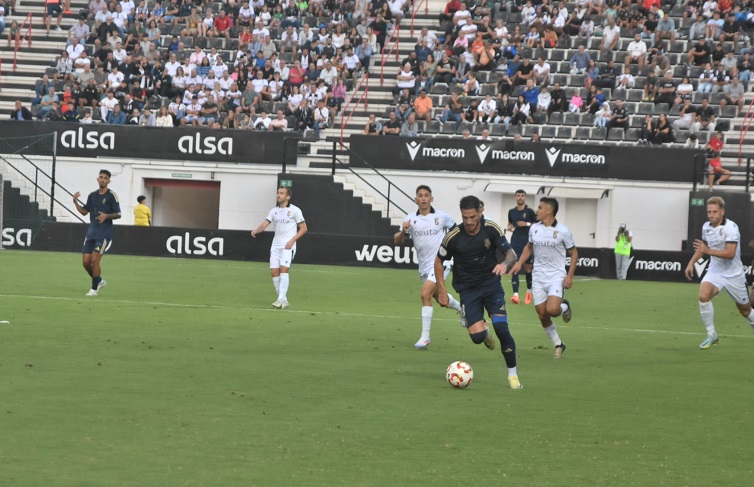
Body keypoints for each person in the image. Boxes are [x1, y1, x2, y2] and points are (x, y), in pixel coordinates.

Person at [435, 195, 523, 390]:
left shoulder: (491, 228)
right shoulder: (454, 236)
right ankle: (483, 331)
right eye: (465, 217)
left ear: (480, 212)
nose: (469, 222)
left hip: (491, 286)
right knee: (477, 337)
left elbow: (512, 255)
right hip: (467, 289)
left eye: (473, 217)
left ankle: (513, 375)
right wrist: (441, 290)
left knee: (502, 328)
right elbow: (438, 261)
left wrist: (504, 264)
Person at [394, 185, 465, 349]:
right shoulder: (410, 219)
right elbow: (397, 241)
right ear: (416, 199)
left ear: (431, 199)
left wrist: (455, 251)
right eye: (420, 195)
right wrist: (403, 231)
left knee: (424, 293)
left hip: (441, 263)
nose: (424, 198)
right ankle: (462, 309)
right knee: (441, 299)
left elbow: (457, 232)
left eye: (427, 195)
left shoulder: (442, 216)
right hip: (424, 267)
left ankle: (425, 338)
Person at [510, 197, 577, 359]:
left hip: (556, 276)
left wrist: (569, 276)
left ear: (549, 211)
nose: (536, 211)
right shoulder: (534, 229)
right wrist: (519, 262)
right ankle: (558, 344)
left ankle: (565, 306)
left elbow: (574, 253)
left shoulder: (563, 230)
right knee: (542, 314)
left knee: (553, 310)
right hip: (538, 276)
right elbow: (529, 247)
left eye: (540, 208)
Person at [684, 196, 754, 349]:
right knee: (703, 295)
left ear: (722, 212)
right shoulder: (706, 227)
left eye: (714, 211)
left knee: (745, 310)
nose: (711, 215)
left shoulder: (731, 228)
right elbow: (704, 248)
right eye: (709, 211)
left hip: (734, 274)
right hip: (715, 271)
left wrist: (707, 250)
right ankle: (711, 335)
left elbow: (730, 253)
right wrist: (691, 262)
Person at [250, 186, 308, 309]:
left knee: (284, 270)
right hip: (275, 246)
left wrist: (292, 241)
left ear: (288, 197)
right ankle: (283, 300)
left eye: (281, 193)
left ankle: (280, 299)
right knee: (274, 272)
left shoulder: (295, 210)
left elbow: (304, 229)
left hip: (288, 246)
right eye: (278, 193)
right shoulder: (273, 211)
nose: (278, 195)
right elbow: (264, 225)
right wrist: (256, 230)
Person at [72, 169, 122, 296]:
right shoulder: (92, 196)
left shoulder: (112, 196)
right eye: (101, 177)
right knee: (85, 262)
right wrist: (75, 202)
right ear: (97, 179)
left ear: (109, 181)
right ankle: (99, 280)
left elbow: (119, 214)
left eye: (105, 178)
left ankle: (94, 289)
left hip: (104, 234)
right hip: (91, 233)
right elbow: (84, 212)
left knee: (95, 260)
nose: (103, 179)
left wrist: (107, 216)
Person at [507, 190, 536, 305]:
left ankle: (529, 292)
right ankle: (515, 295)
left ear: (525, 198)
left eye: (522, 196)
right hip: (515, 243)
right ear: (515, 198)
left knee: (528, 269)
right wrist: (509, 227)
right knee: (515, 268)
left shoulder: (530, 212)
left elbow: (539, 224)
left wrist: (527, 224)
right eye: (518, 196)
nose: (520, 198)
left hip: (528, 244)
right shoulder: (511, 212)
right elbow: (510, 224)